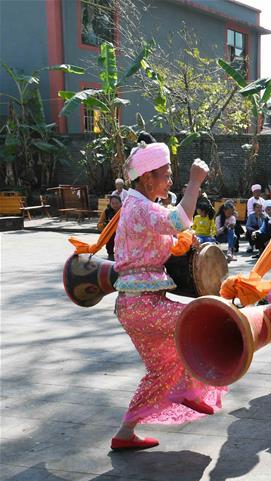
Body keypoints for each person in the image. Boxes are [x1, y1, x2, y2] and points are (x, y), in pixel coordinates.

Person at [110, 136, 224, 450]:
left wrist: (186, 241)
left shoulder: (137, 205)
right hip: (143, 304)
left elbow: (169, 236)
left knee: (163, 368)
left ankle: (124, 434)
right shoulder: (140, 206)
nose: (170, 180)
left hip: (133, 306)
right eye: (167, 174)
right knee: (201, 323)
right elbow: (177, 221)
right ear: (147, 177)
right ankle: (189, 390)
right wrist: (194, 183)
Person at [97, 193, 122, 260]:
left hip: (123, 233)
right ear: (110, 204)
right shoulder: (106, 211)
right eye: (113, 203)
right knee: (110, 237)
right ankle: (110, 254)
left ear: (121, 203)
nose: (115, 205)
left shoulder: (125, 210)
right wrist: (106, 224)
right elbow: (99, 225)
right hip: (110, 233)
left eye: (117, 203)